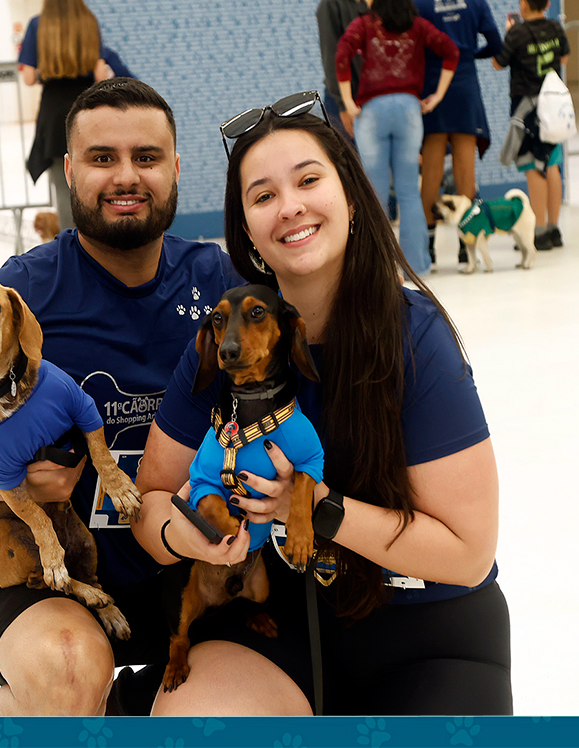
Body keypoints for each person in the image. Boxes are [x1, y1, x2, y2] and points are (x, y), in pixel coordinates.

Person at [133, 97, 512, 716]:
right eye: (263, 195)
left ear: (352, 197)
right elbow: (150, 505)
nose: (290, 206)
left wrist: (313, 507)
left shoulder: (415, 337)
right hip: (275, 625)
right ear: (247, 232)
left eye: (308, 180)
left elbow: (468, 554)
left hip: (427, 631)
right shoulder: (224, 343)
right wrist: (188, 535)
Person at [0, 78, 240, 716]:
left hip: (184, 561)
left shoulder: (218, 281)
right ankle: (35, 702)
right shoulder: (18, 294)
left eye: (146, 157)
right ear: (69, 171)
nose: (126, 176)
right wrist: (6, 480)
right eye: (102, 158)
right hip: (40, 574)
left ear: (176, 169)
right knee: (66, 669)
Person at [335, 0, 459, 279]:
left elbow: (342, 55)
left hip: (372, 113)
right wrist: (437, 96)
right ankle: (417, 267)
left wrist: (348, 102)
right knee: (408, 192)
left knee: (374, 195)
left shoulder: (363, 25)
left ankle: (377, 270)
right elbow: (451, 51)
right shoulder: (416, 26)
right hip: (409, 110)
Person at [20, 0, 135, 232]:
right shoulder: (88, 21)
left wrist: (49, 70)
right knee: (95, 176)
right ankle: (98, 241)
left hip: (53, 114)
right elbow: (99, 71)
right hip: (86, 107)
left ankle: (70, 246)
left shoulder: (38, 24)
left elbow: (28, 77)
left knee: (63, 186)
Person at [413, 0, 503, 268]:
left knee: (431, 172)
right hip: (465, 86)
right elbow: (497, 45)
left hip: (433, 89)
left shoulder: (420, 2)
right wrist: (467, 56)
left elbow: (414, 49)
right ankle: (467, 247)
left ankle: (428, 249)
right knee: (466, 169)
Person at [492, 0, 570, 250]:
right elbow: (564, 57)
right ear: (547, 3)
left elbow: (498, 63)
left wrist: (507, 33)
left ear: (523, 3)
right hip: (553, 107)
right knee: (551, 163)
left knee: (532, 166)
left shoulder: (517, 33)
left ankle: (537, 232)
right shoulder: (555, 28)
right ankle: (554, 228)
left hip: (526, 111)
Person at [316, 0, 368, 145]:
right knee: (348, 158)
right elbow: (330, 57)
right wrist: (343, 105)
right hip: (341, 99)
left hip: (369, 95)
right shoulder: (330, 2)